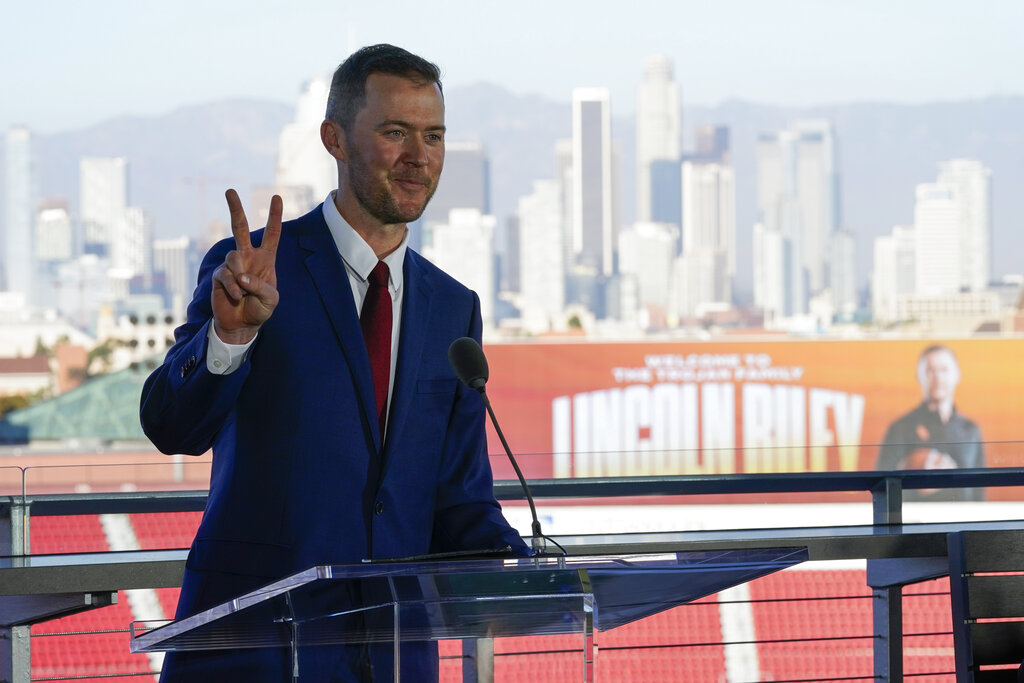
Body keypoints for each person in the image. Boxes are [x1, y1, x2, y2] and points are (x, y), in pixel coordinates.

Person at [140, 44, 528, 682]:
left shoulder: (454, 308)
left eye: (433, 136)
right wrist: (229, 338)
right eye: (394, 132)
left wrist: (534, 564)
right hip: (256, 651)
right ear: (335, 139)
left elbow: (459, 498)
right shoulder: (254, 269)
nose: (419, 156)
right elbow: (170, 427)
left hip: (395, 656)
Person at [876, 344, 985, 501]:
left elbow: (979, 490)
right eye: (930, 370)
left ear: (957, 375)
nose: (938, 377)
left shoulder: (971, 430)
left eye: (944, 370)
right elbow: (882, 488)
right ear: (918, 376)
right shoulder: (900, 428)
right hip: (915, 521)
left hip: (962, 521)